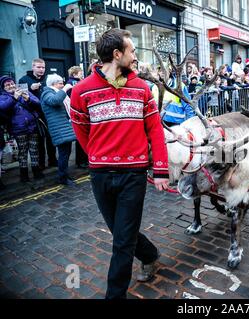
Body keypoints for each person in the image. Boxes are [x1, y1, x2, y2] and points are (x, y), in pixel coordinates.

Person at [70, 28, 170, 299]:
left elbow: (156, 132)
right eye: (132, 51)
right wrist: (99, 156)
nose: (135, 56)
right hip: (100, 176)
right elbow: (81, 130)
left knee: (122, 241)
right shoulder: (81, 91)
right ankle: (149, 254)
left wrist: (160, 169)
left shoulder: (142, 89)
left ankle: (115, 296)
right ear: (117, 54)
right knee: (120, 231)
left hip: (133, 176)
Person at [0, 76, 44, 182]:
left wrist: (28, 98)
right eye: (7, 85)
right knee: (23, 152)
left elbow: (38, 102)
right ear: (3, 88)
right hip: (18, 129)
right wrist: (14, 98)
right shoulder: (3, 97)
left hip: (32, 126)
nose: (10, 86)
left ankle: (36, 171)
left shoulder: (24, 91)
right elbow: (3, 107)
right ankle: (24, 175)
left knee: (34, 150)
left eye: (12, 84)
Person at [19, 58, 57, 170]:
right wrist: (31, 89)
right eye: (38, 67)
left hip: (49, 113)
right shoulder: (24, 80)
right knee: (39, 140)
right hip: (34, 114)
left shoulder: (48, 79)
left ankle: (53, 160)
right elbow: (22, 98)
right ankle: (41, 163)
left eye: (43, 67)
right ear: (33, 67)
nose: (41, 70)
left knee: (51, 138)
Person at [40, 74, 76, 185]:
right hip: (59, 129)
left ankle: (64, 175)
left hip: (64, 128)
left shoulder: (54, 92)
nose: (62, 85)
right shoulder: (47, 93)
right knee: (64, 154)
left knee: (66, 153)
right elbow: (54, 101)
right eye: (60, 83)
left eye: (62, 83)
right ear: (53, 84)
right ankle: (63, 178)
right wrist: (65, 89)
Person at [66, 66, 89, 169]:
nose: (82, 75)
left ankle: (81, 161)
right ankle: (81, 162)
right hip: (78, 112)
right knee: (81, 139)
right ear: (75, 74)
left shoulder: (73, 82)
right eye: (80, 73)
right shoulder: (74, 83)